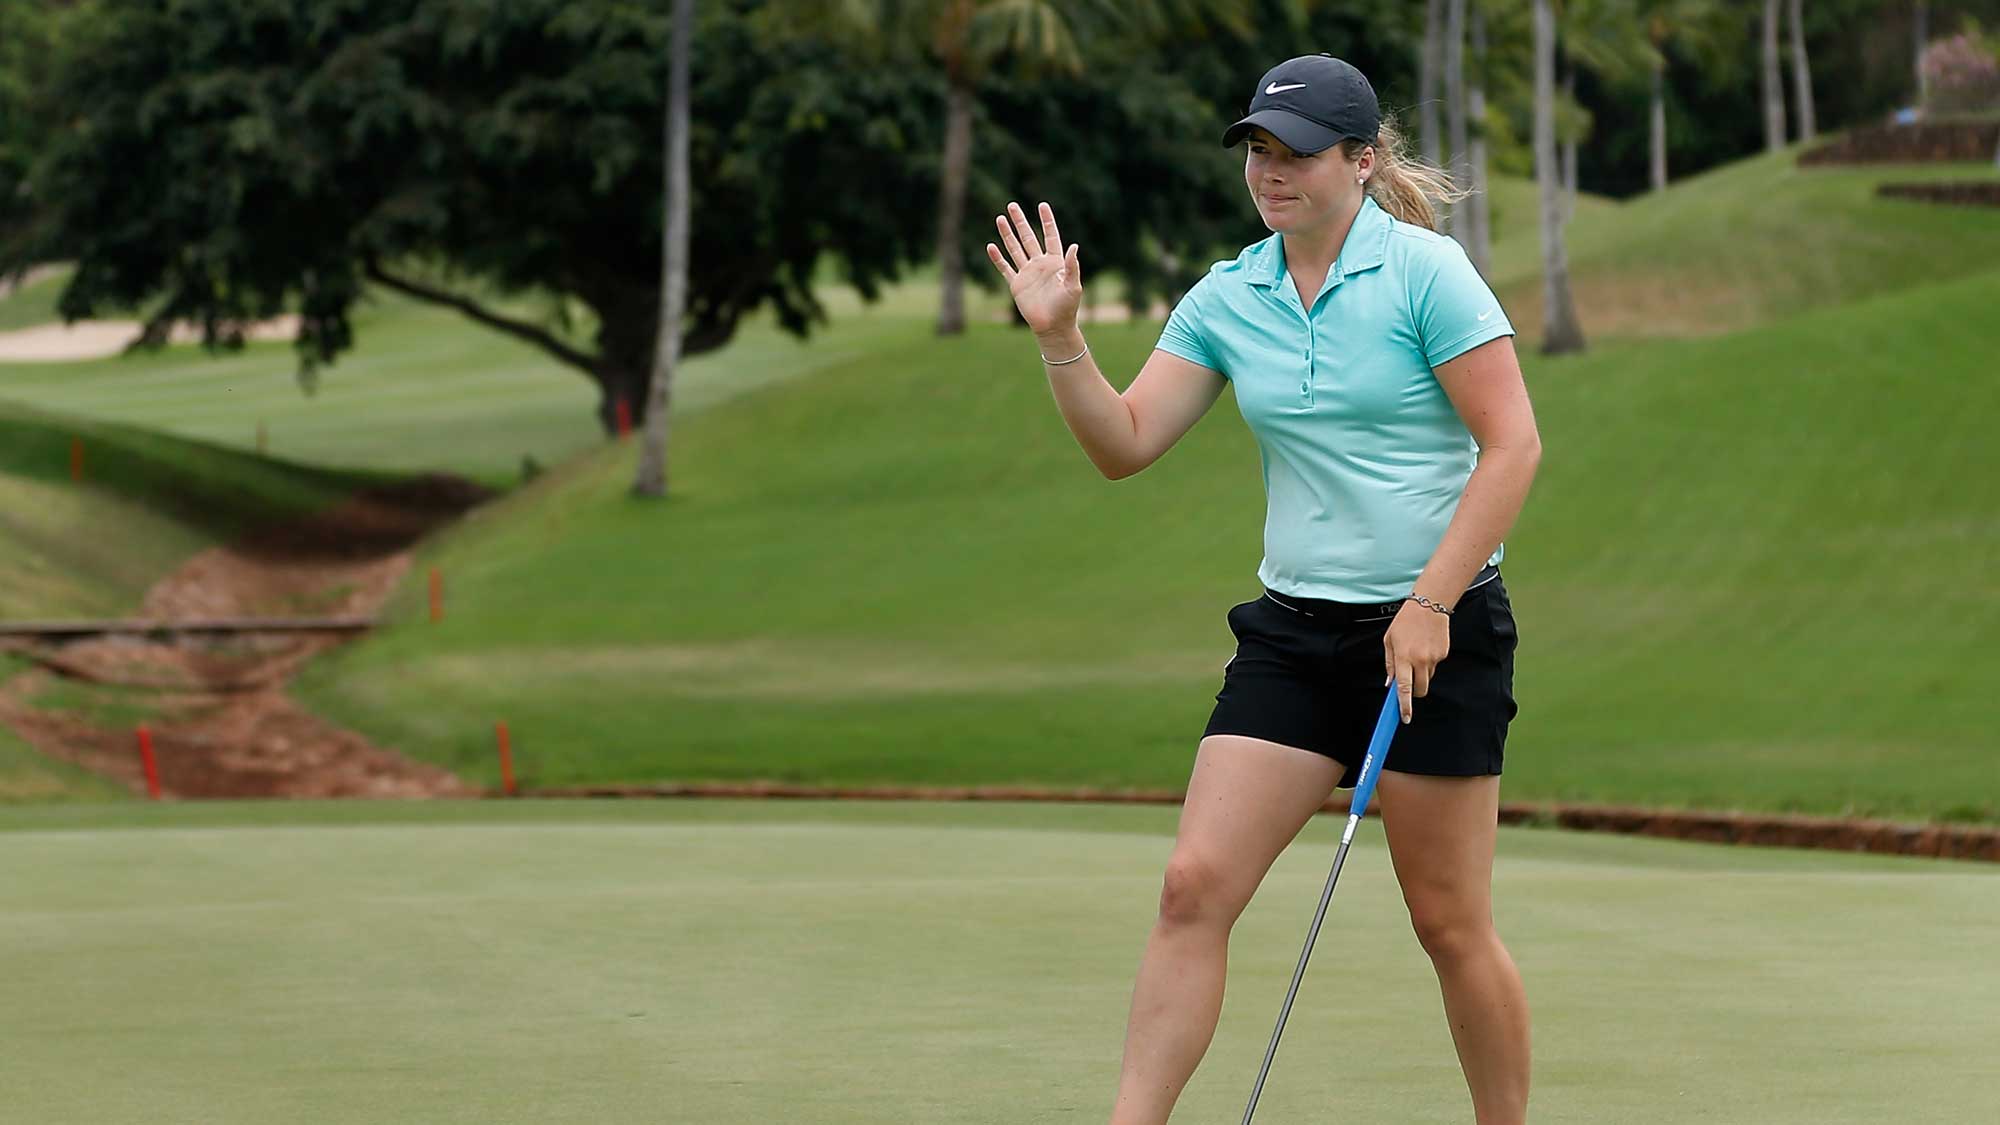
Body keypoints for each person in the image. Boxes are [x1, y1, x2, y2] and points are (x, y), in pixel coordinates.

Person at [984, 54, 1542, 1125]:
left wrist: (1429, 605)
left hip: (1437, 631)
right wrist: (1059, 341)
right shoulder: (1229, 293)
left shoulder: (1425, 273)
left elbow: (1510, 446)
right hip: (1293, 634)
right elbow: (1126, 441)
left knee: (1447, 923)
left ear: (1360, 160)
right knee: (1191, 888)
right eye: (1257, 151)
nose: (1270, 172)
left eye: (1295, 152)